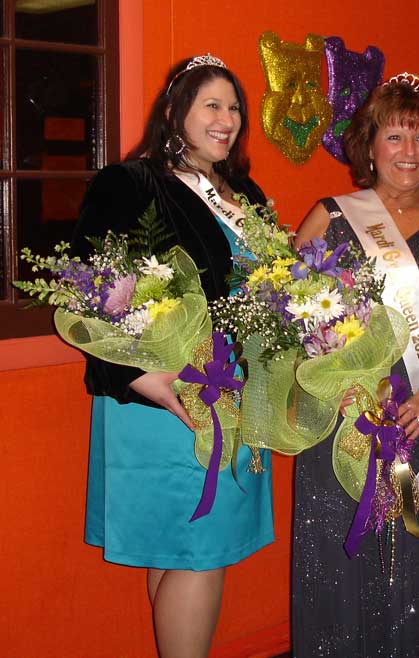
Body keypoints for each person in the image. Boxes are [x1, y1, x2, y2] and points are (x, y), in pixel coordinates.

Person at [72, 55, 274, 658]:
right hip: (166, 397)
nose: (227, 119)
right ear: (174, 112)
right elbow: (87, 296)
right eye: (211, 104)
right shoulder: (130, 183)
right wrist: (142, 377)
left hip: (230, 392)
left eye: (234, 107)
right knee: (196, 550)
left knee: (179, 550)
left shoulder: (247, 193)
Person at [291, 74, 419, 658]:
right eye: (396, 136)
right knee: (341, 551)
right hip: (346, 420)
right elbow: (292, 314)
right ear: (370, 146)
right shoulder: (330, 216)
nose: (409, 152)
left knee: (416, 544)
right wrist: (344, 385)